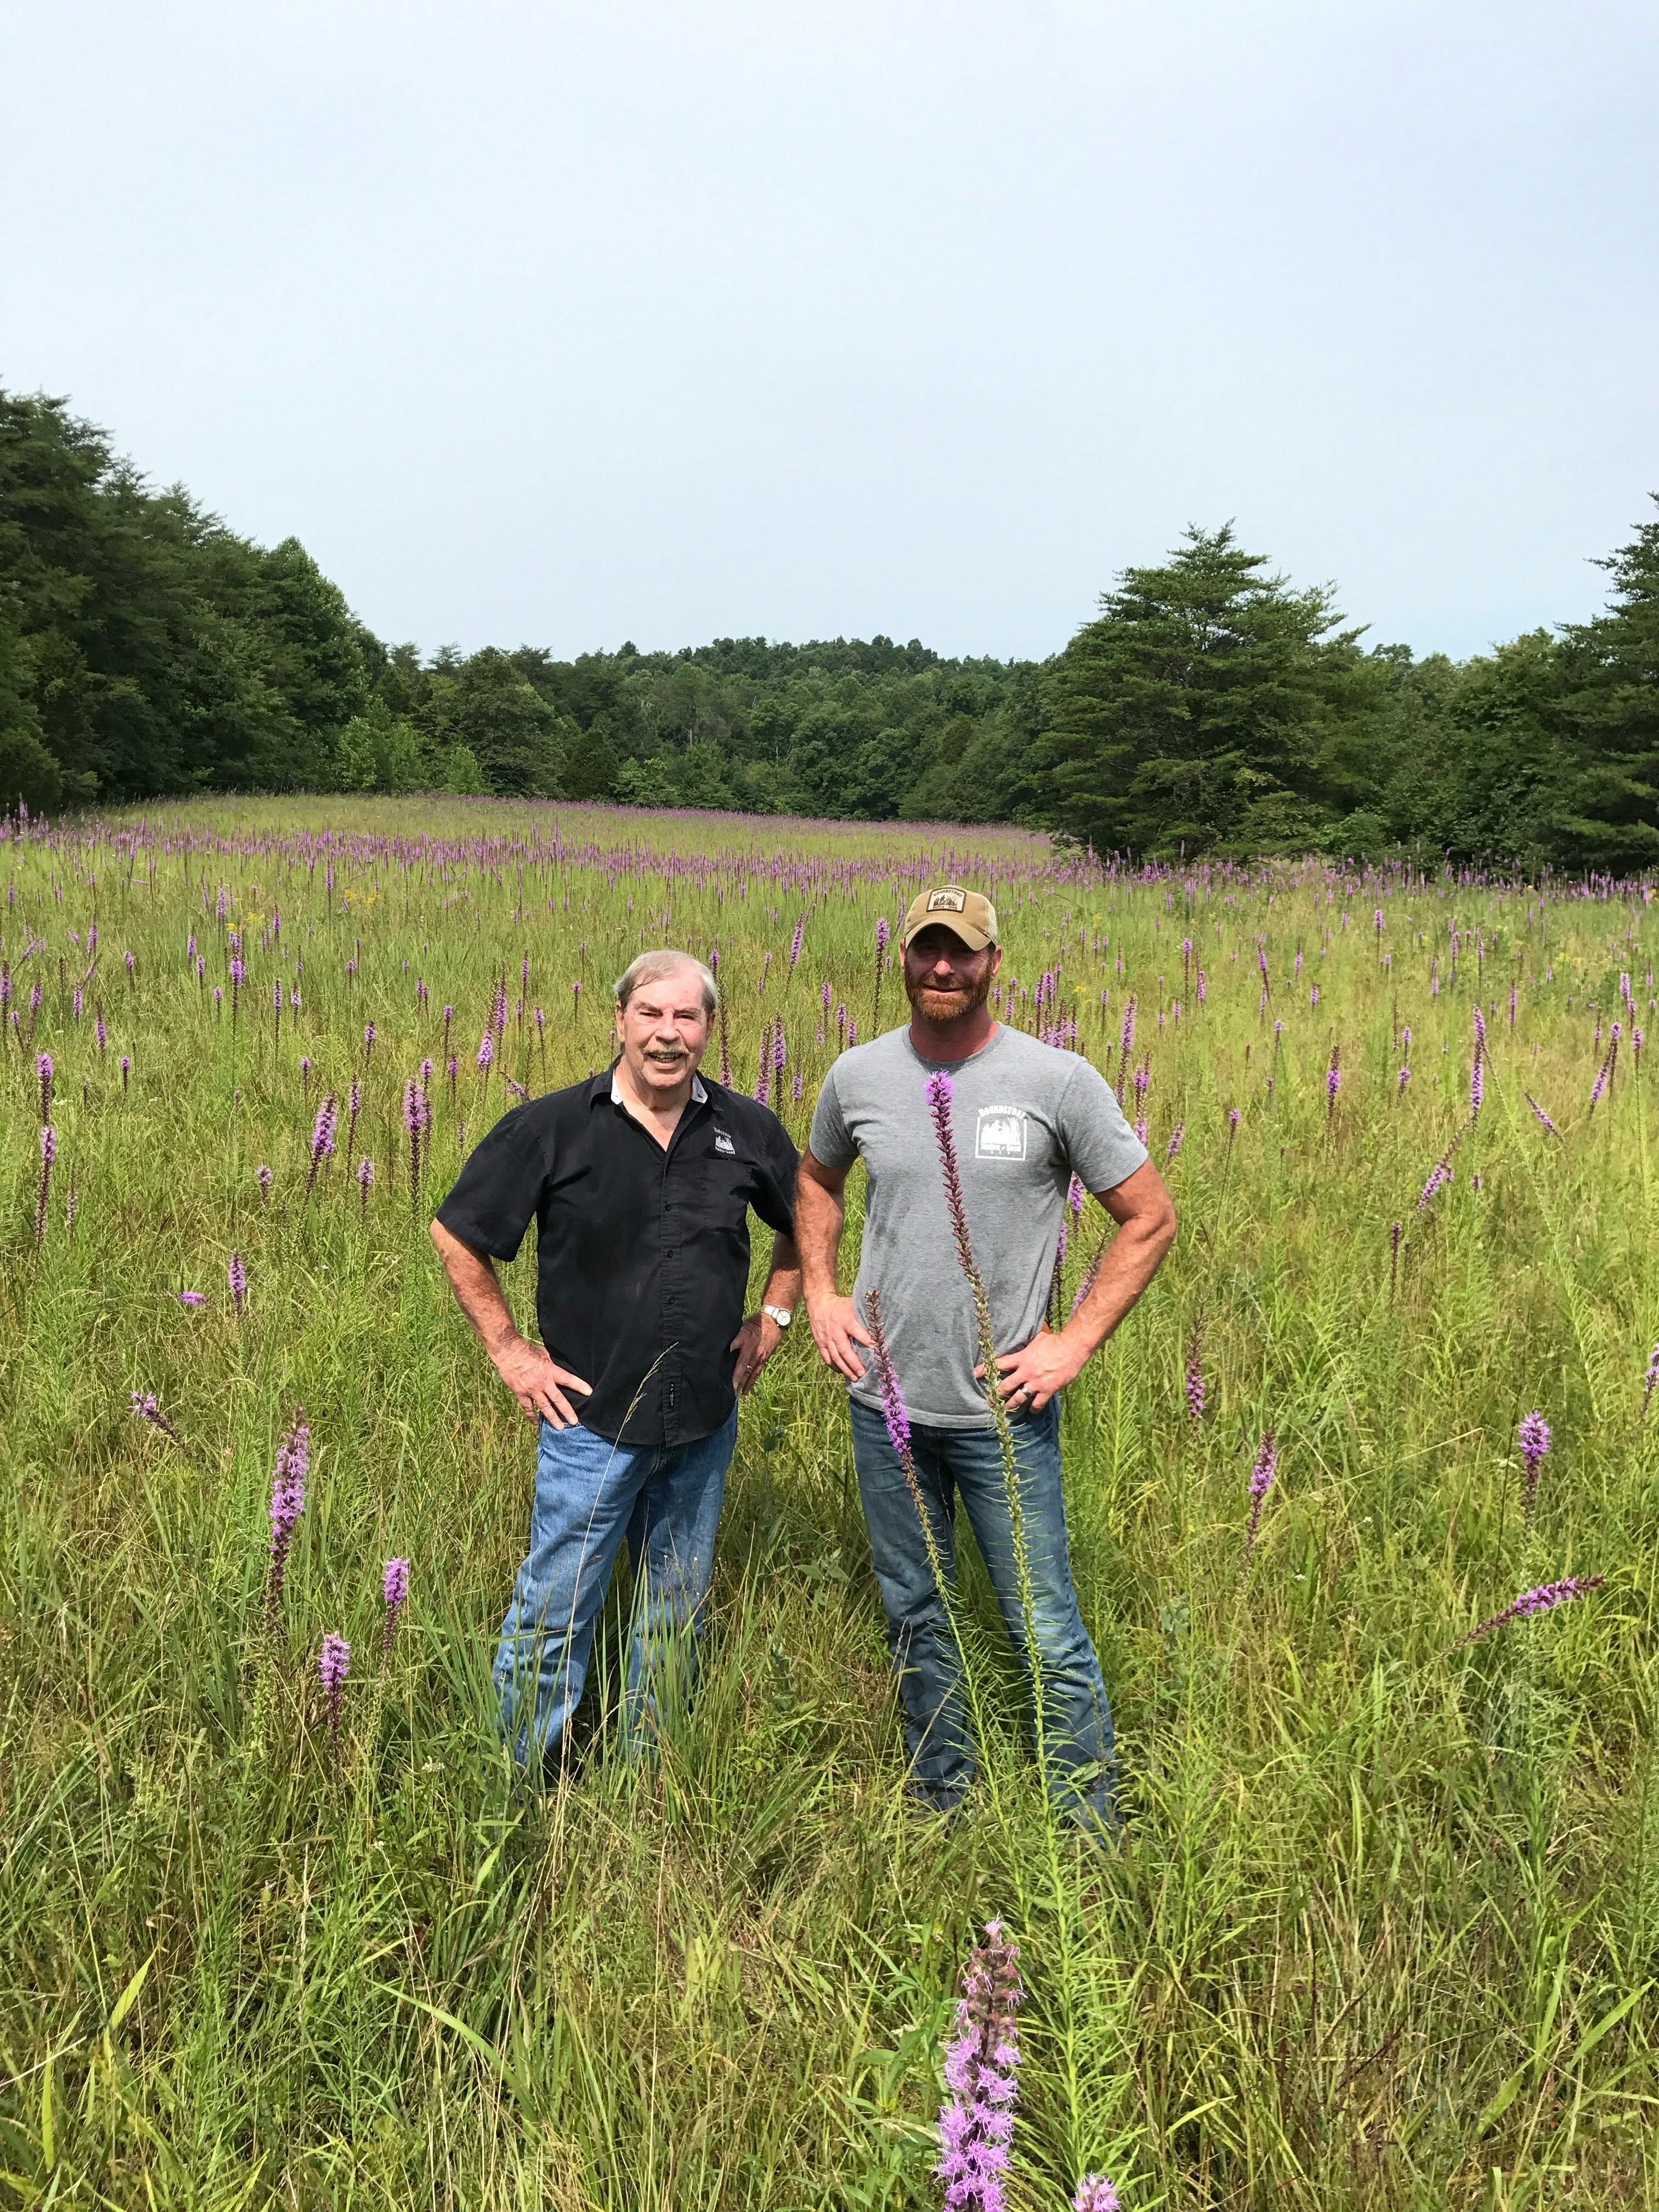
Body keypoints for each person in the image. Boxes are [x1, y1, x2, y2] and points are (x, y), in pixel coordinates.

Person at [795, 885, 1176, 1831]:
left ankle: (1088, 1826)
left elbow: (1149, 1217)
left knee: (1043, 1628)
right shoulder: (858, 1075)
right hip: (884, 1401)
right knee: (915, 1609)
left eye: (961, 953)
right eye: (926, 949)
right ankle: (944, 1800)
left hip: (1004, 1415)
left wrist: (1073, 1341)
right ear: (903, 958)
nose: (941, 968)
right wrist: (820, 1290)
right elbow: (816, 1178)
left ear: (995, 961)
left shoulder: (1057, 1081)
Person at [431, 949, 801, 1778]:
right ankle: (518, 1779)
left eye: (687, 1017)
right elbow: (457, 1234)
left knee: (674, 1610)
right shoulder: (553, 1127)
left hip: (703, 1421)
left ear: (708, 1028)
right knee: (556, 1612)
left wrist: (775, 1315)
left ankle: (647, 1774)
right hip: (591, 1425)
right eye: (651, 1015)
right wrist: (511, 1352)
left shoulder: (747, 1129)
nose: (668, 1035)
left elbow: (806, 1217)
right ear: (620, 1020)